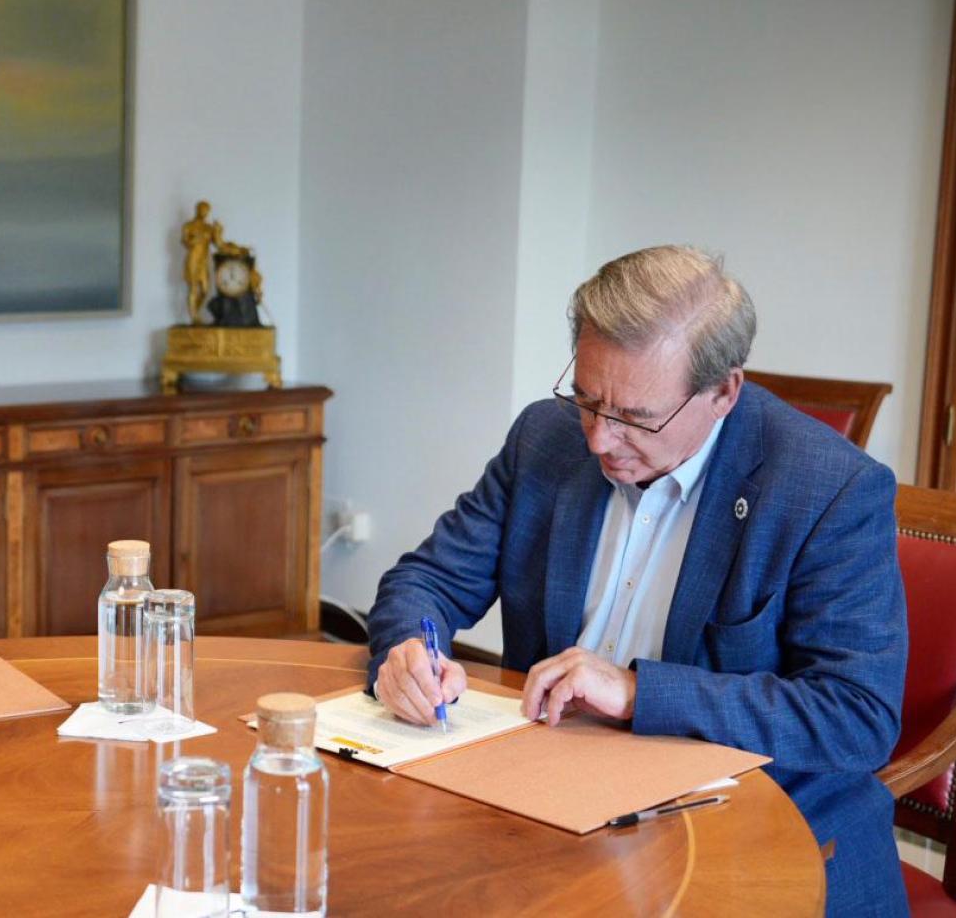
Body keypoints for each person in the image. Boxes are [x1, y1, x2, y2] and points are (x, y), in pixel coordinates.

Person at [366, 244, 907, 917]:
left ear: (723, 392)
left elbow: (856, 717)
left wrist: (636, 691)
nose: (598, 440)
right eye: (589, 400)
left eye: (635, 418)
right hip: (549, 809)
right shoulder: (546, 437)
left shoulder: (829, 490)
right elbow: (427, 580)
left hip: (750, 831)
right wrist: (412, 650)